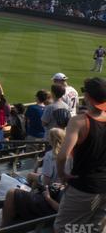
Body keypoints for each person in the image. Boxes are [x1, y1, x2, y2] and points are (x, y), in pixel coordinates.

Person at [54, 77, 106, 233]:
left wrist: (62, 174)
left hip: (84, 187)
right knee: (95, 229)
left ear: (88, 97)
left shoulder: (79, 122)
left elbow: (62, 156)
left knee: (63, 229)